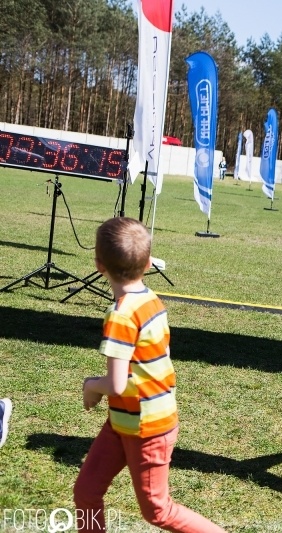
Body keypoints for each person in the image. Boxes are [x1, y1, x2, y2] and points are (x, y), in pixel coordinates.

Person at [74, 217, 226, 533]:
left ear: (98, 265)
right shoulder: (151, 299)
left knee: (158, 511)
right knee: (86, 491)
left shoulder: (121, 316)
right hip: (123, 421)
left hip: (148, 429)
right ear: (147, 264)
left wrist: (91, 387)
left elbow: (115, 384)